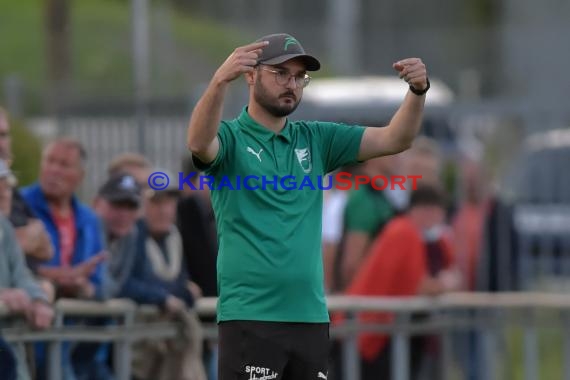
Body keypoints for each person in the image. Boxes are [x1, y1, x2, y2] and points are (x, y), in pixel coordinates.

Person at [186, 32, 430, 379]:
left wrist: (418, 92)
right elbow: (198, 141)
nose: (292, 84)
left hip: (310, 318)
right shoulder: (230, 138)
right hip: (252, 318)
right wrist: (219, 82)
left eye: (300, 76)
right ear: (251, 75)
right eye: (281, 73)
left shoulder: (315, 138)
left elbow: (396, 138)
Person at [343, 184, 460, 380]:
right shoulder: (405, 232)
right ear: (426, 211)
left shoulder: (408, 232)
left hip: (372, 331)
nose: (440, 221)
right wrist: (447, 284)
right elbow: (421, 286)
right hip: (367, 333)